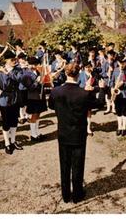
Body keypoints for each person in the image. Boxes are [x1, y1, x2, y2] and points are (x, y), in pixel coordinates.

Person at [48, 63, 94, 204]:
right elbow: (97, 104)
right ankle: (77, 195)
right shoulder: (84, 93)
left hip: (63, 133)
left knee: (65, 165)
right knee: (78, 165)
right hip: (79, 134)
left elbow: (50, 106)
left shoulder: (56, 92)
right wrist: (90, 91)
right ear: (78, 75)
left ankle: (66, 194)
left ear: (66, 74)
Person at [0, 51, 24, 154]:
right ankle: (7, 143)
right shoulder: (0, 71)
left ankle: (13, 141)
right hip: (4, 99)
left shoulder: (18, 69)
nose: (15, 61)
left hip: (15, 97)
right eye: (12, 60)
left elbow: (19, 79)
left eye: (15, 59)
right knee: (6, 122)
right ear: (6, 60)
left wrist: (8, 73)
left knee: (14, 121)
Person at [110, 54, 126, 136]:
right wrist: (112, 88)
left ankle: (124, 127)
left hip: (125, 94)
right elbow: (111, 81)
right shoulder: (115, 70)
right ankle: (119, 127)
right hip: (117, 95)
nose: (122, 65)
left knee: (125, 111)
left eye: (123, 63)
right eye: (120, 63)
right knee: (118, 112)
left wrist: (123, 83)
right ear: (118, 62)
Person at [25, 56, 48, 141]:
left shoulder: (37, 72)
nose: (35, 66)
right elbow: (29, 87)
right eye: (34, 64)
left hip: (39, 96)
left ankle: (37, 133)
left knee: (38, 114)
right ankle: (33, 135)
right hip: (33, 97)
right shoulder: (27, 74)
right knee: (34, 115)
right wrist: (37, 81)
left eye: (36, 64)